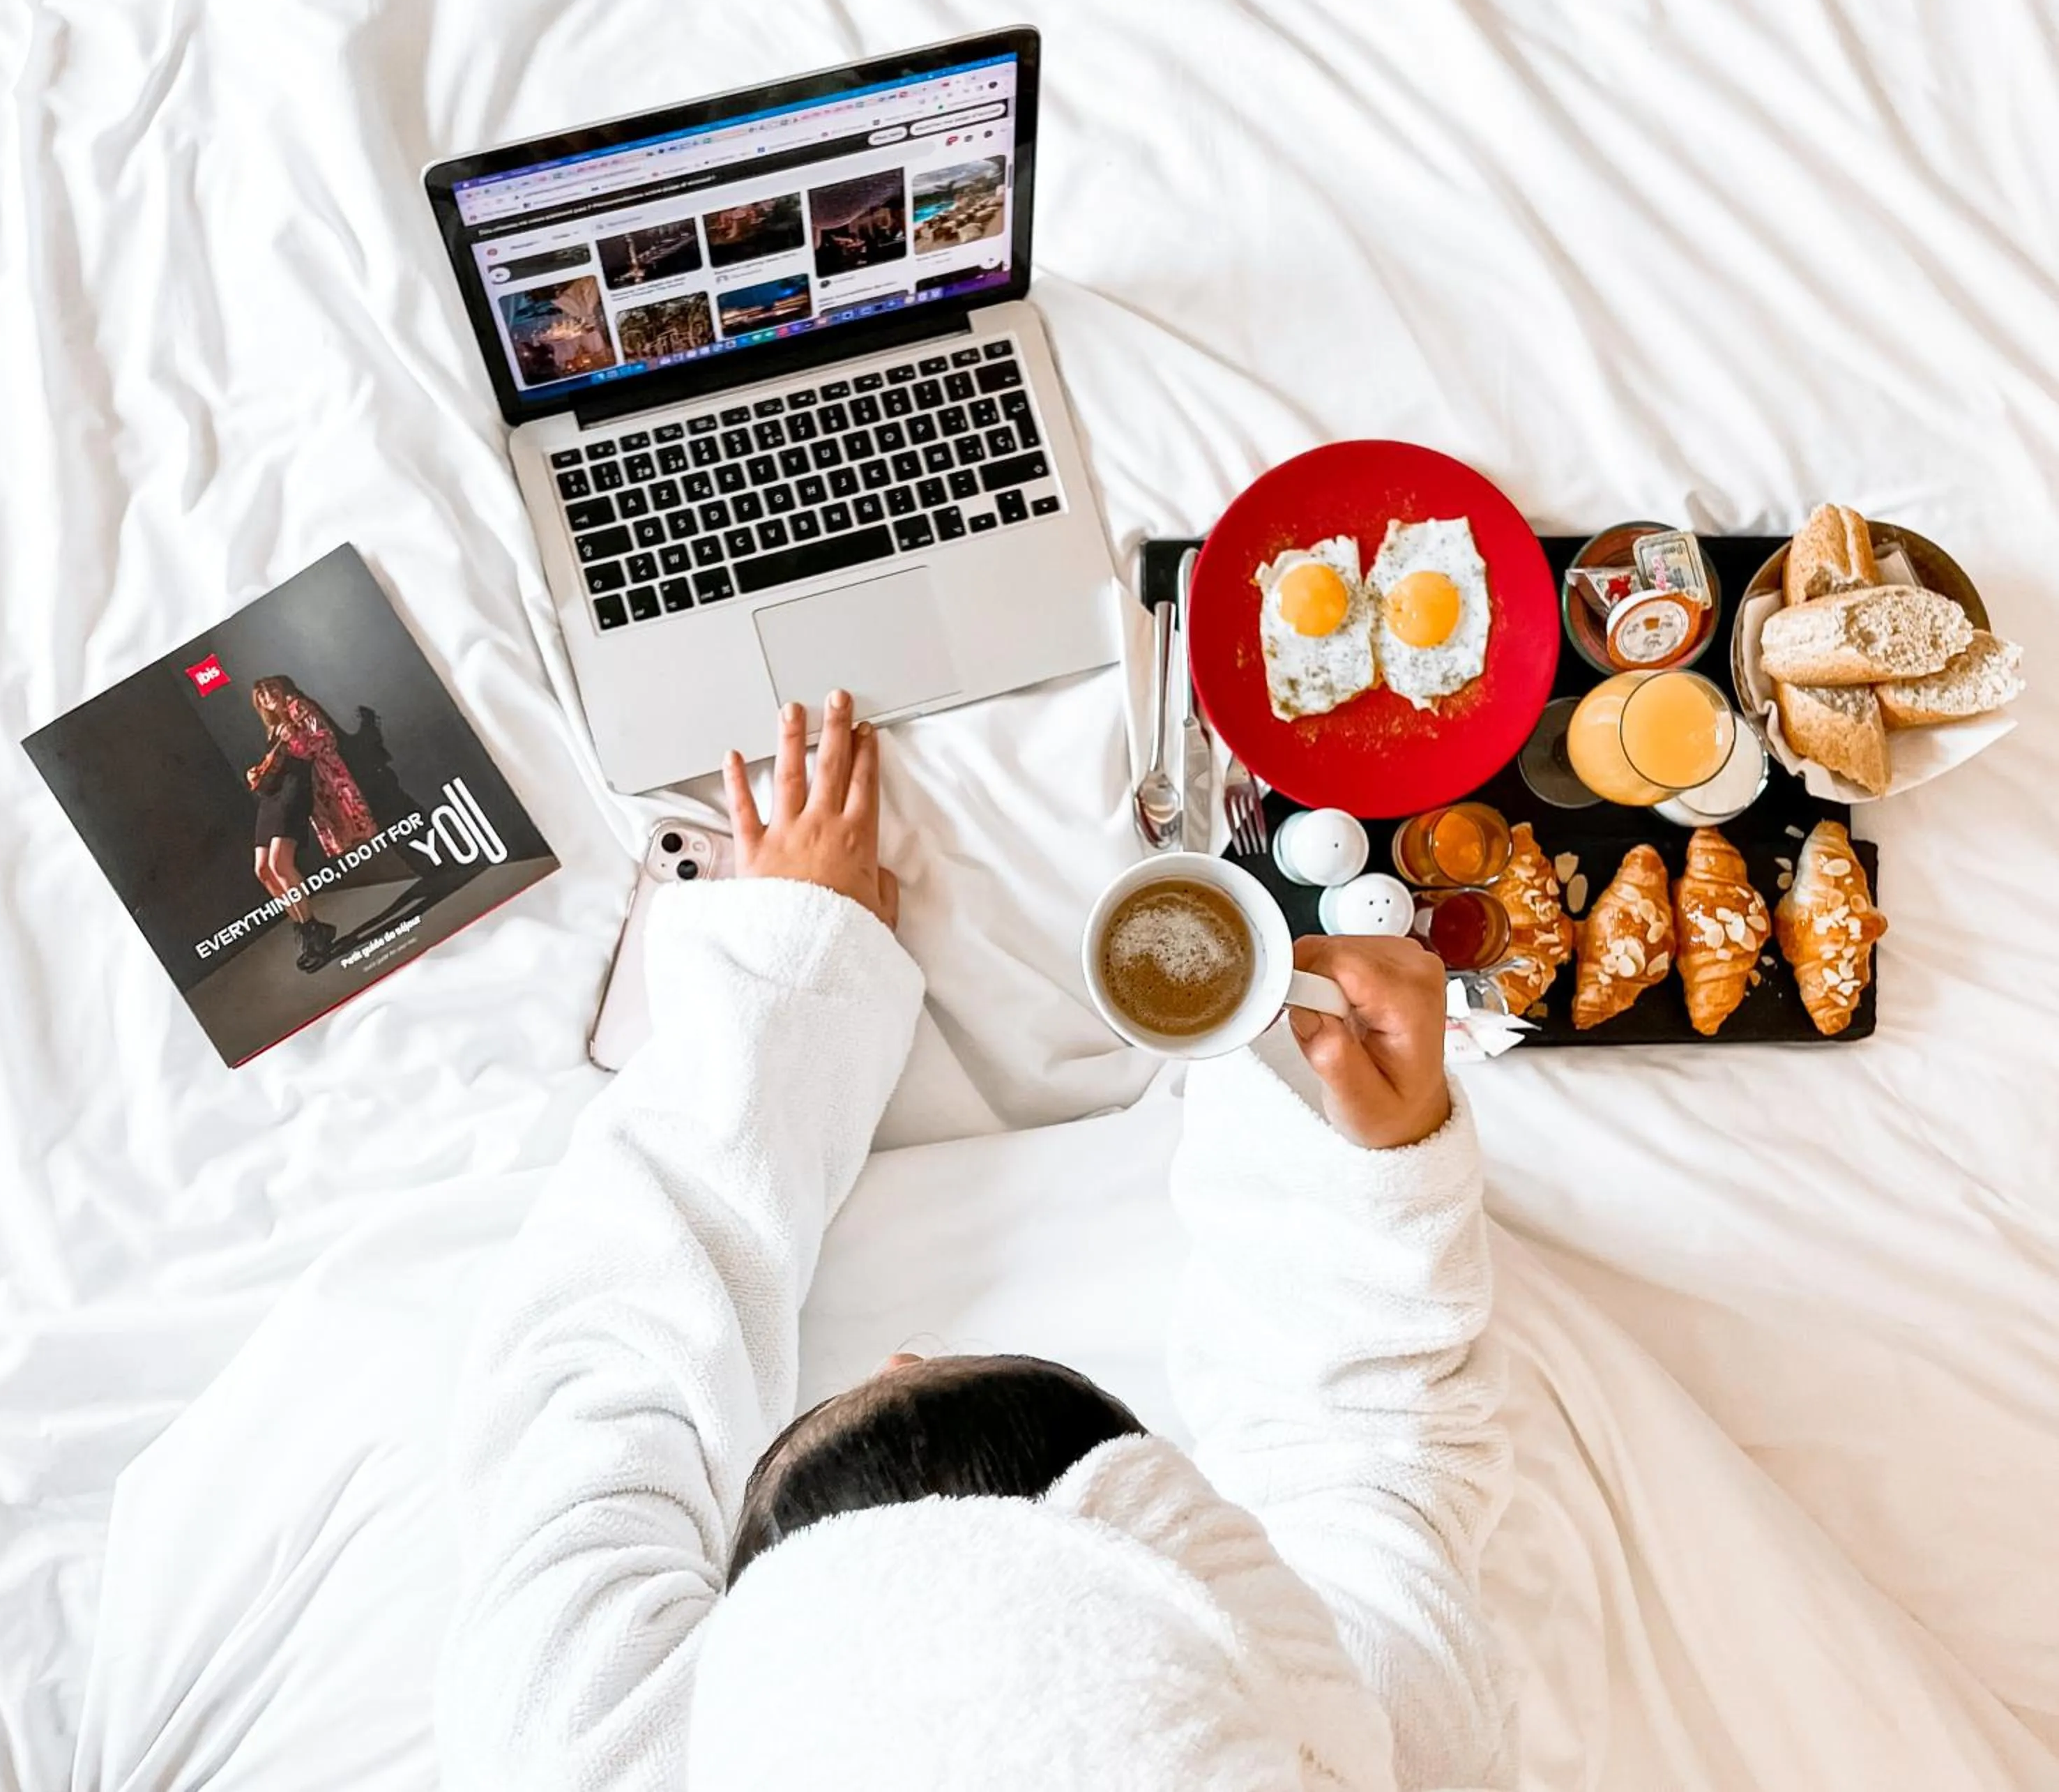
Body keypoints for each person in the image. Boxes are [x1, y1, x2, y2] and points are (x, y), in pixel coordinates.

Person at [436, 689, 1512, 1791]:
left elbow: (607, 1346)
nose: (900, 1358)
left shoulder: (568, 1744)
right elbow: (1382, 1456)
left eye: (869, 1390)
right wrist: (1370, 1161)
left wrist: (787, 971)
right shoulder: (1371, 1742)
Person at [245, 674, 377, 971]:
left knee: (280, 864)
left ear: (282, 689)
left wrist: (291, 735)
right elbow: (278, 761)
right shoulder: (273, 727)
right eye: (261, 695)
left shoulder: (298, 708)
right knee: (263, 870)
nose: (267, 696)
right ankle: (309, 929)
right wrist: (259, 771)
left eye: (270, 689)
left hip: (296, 791)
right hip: (273, 798)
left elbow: (324, 741)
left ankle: (312, 930)